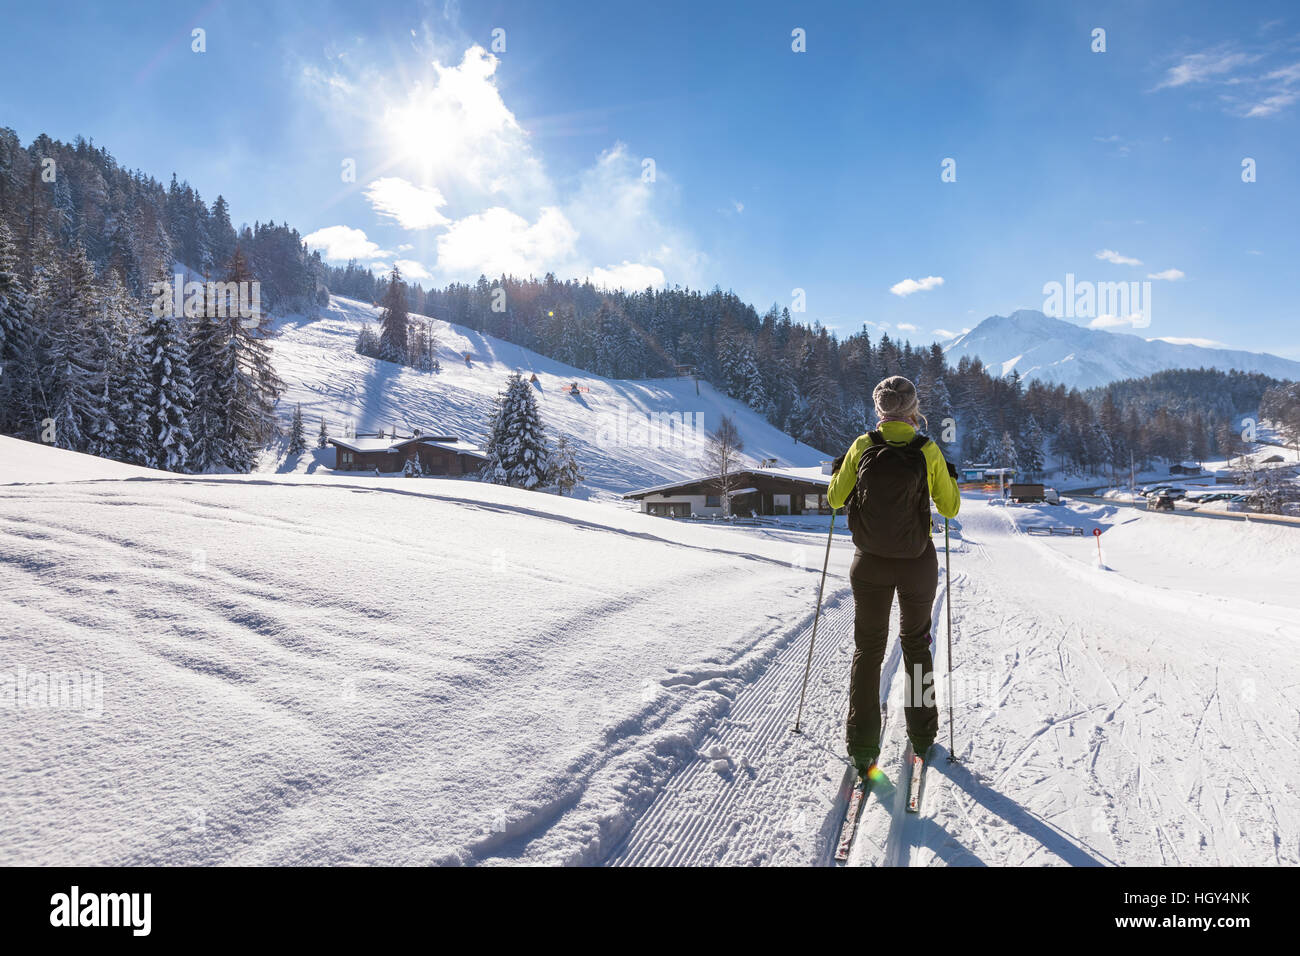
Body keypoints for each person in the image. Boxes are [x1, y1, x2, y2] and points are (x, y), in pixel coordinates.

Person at [826, 375, 960, 773]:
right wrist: (948, 479)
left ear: (879, 408)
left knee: (868, 650)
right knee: (917, 645)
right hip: (917, 560)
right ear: (913, 409)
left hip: (869, 561)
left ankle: (863, 745)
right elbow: (949, 509)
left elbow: (835, 499)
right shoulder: (927, 449)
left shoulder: (863, 446)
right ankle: (922, 735)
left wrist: (839, 472)